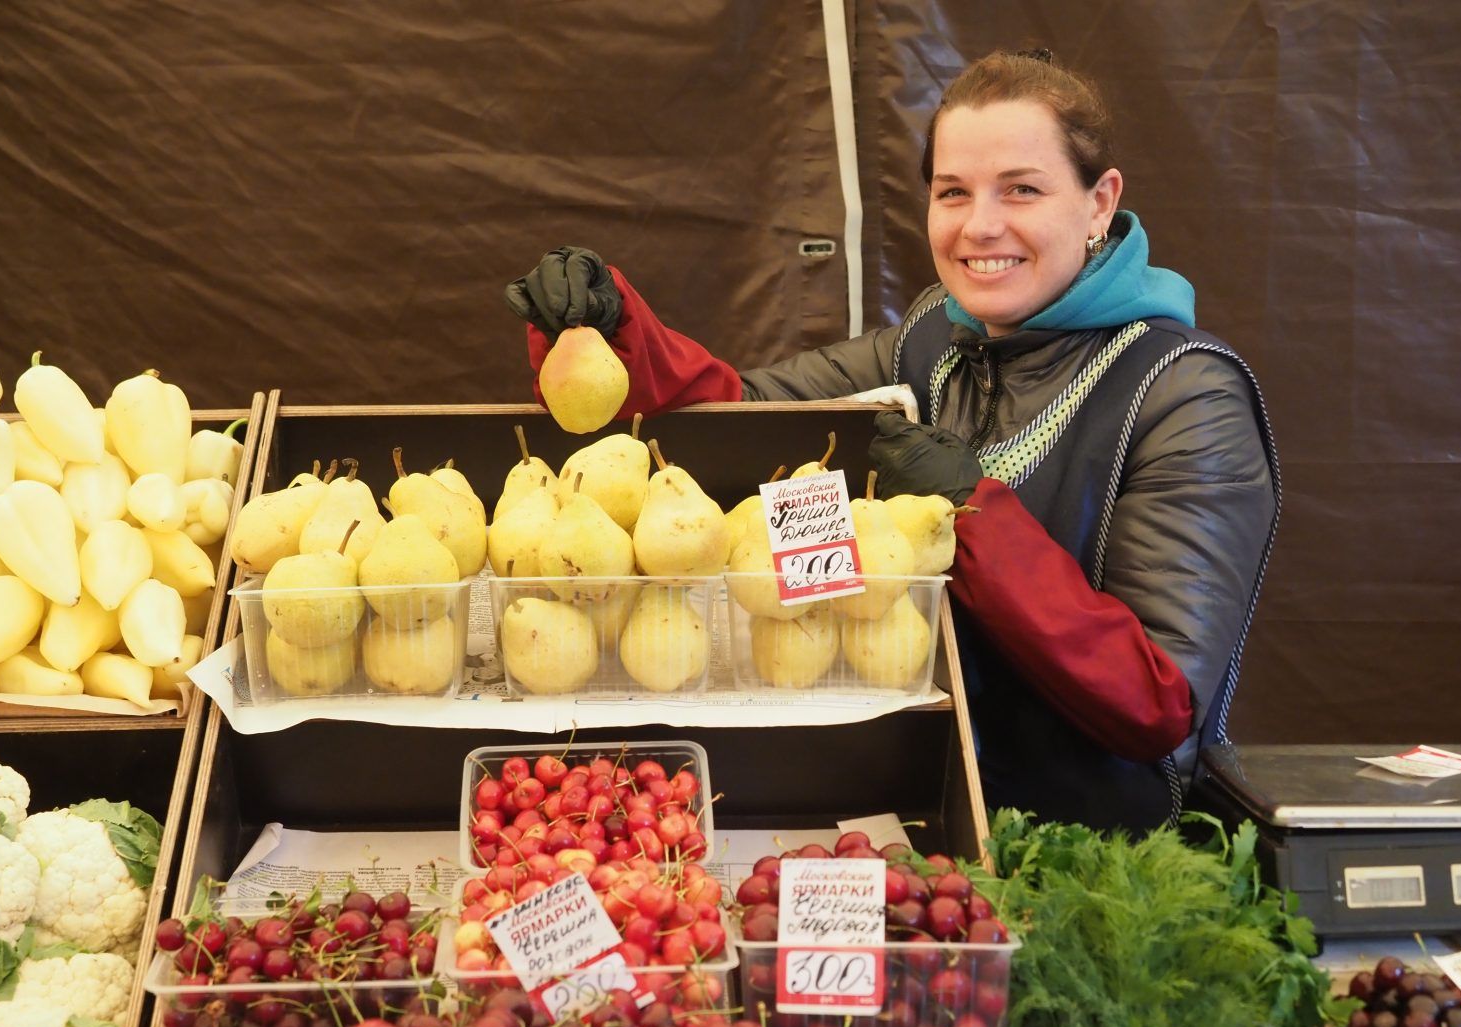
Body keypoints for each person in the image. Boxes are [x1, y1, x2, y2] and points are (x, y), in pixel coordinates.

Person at [503, 48, 1279, 833]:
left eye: (1021, 189)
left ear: (1098, 201)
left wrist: (968, 511)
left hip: (1094, 859)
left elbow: (1157, 703)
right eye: (952, 192)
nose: (980, 225)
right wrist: (607, 326)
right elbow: (734, 415)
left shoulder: (1184, 393)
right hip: (913, 820)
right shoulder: (927, 345)